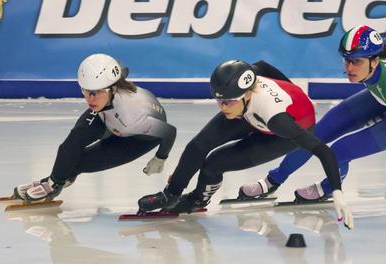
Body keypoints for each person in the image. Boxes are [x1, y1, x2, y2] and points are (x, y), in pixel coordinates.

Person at [138, 59, 354, 229]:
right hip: (250, 112)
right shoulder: (245, 79)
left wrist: (337, 191)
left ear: (248, 94)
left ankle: (197, 200)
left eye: (228, 102)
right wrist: (291, 88)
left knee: (214, 163)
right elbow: (263, 65)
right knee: (198, 145)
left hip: (283, 131)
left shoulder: (278, 120)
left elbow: (322, 150)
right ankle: (171, 196)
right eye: (219, 101)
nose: (223, 108)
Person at [239, 25, 386, 203]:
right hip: (379, 95)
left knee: (339, 150)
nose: (349, 68)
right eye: (346, 60)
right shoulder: (377, 51)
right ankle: (273, 181)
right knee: (314, 134)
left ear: (375, 61)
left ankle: (328, 188)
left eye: (357, 62)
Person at [13, 53, 176, 201]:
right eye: (86, 91)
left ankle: (58, 181)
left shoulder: (133, 116)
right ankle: (54, 182)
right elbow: (120, 68)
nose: (90, 99)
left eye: (96, 92)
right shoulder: (109, 84)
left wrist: (160, 158)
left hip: (139, 137)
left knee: (82, 163)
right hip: (109, 114)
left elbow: (170, 131)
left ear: (112, 89)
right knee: (72, 143)